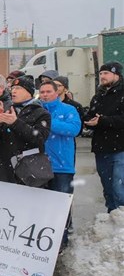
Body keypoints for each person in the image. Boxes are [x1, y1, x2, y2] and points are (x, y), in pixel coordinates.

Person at [0, 76, 51, 185]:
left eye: (18, 88)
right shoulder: (8, 110)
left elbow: (39, 139)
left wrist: (15, 123)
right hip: (4, 171)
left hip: (29, 171)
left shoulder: (41, 113)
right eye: (12, 88)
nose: (14, 91)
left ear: (29, 92)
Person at [39, 81, 81, 249]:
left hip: (62, 167)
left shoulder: (68, 110)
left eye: (48, 91)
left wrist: (48, 122)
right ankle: (43, 241)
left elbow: (73, 129)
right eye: (42, 92)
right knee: (42, 207)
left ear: (57, 92)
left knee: (61, 207)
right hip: (39, 166)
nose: (45, 95)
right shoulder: (37, 111)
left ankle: (61, 242)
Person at [84, 61, 124, 212]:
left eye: (106, 73)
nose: (102, 76)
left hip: (121, 147)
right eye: (100, 73)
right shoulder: (98, 96)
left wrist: (103, 120)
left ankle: (121, 221)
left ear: (117, 75)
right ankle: (112, 219)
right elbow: (91, 115)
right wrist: (87, 121)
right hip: (101, 148)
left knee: (119, 186)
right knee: (108, 187)